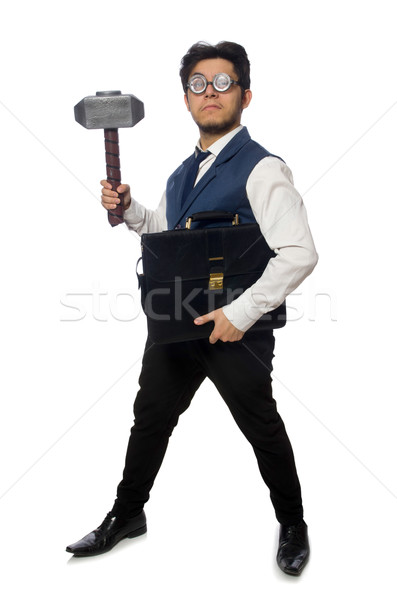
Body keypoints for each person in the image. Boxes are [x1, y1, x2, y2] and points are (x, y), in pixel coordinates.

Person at [66, 41, 318, 576]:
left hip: (236, 332)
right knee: (149, 418)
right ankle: (128, 514)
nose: (211, 93)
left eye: (224, 83)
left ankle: (293, 522)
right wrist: (129, 207)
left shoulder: (262, 168)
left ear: (245, 96)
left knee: (261, 426)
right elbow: (171, 236)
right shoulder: (183, 173)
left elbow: (299, 253)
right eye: (199, 84)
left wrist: (240, 314)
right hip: (176, 324)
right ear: (186, 99)